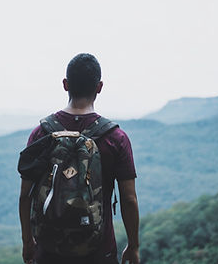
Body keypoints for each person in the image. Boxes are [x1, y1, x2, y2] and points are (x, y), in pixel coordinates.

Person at [19, 53, 140, 264]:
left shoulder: (41, 134)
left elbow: (25, 196)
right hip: (99, 252)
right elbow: (129, 200)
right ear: (99, 87)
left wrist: (28, 241)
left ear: (65, 84)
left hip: (48, 251)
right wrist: (133, 245)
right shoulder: (115, 138)